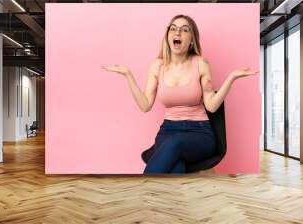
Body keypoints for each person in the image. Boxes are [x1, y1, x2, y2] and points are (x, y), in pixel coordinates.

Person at [101, 14, 258, 174]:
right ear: (168, 36)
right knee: (176, 166)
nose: (178, 33)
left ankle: (142, 191)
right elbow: (145, 105)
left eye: (184, 30)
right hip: (168, 130)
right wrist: (128, 74)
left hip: (199, 133)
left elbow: (211, 106)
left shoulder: (200, 63)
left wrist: (231, 78)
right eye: (173, 29)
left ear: (191, 40)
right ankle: (169, 198)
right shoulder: (157, 66)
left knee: (174, 144)